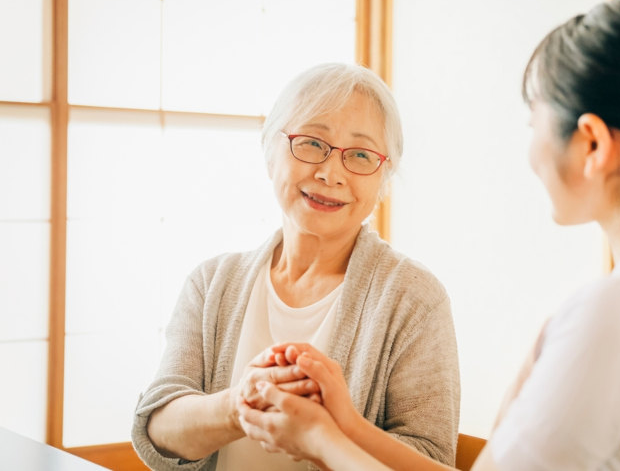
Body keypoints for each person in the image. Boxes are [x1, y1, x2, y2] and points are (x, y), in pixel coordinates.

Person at [232, 0, 620, 470]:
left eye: (535, 124)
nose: (529, 153)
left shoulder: (618, 313)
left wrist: (316, 439)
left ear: (592, 144)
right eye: (311, 143)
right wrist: (349, 426)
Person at [131, 63, 461, 470]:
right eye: (310, 143)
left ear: (384, 175)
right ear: (271, 151)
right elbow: (158, 428)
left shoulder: (415, 299)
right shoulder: (212, 282)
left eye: (360, 154)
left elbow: (432, 457)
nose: (330, 173)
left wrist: (330, 432)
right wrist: (239, 404)